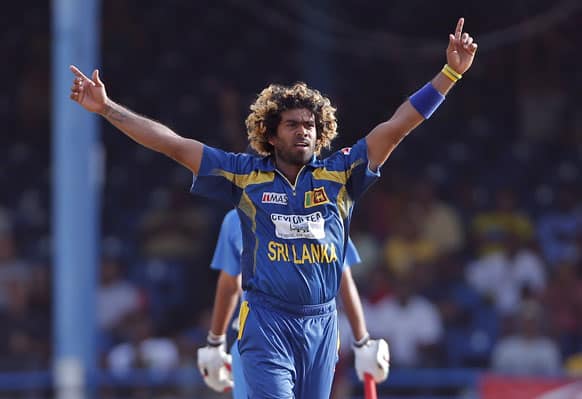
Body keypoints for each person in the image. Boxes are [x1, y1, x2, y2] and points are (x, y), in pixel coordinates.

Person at [69, 17, 477, 398]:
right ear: (270, 133)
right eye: (292, 125)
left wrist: (451, 75)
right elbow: (173, 144)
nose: (304, 132)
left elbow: (397, 126)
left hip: (321, 324)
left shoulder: (341, 173)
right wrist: (107, 108)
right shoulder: (245, 175)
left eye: (310, 126)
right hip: (266, 322)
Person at [196, 209, 375, 396]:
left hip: (313, 336)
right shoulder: (237, 217)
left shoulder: (326, 210)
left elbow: (343, 277)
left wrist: (362, 342)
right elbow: (229, 283)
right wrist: (215, 342)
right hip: (262, 334)